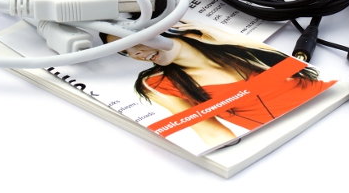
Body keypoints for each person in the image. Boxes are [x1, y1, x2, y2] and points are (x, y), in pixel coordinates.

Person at [100, 22, 336, 146]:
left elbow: (297, 67)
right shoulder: (156, 83)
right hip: (286, 138)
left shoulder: (226, 44)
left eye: (135, 43)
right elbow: (211, 133)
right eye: (125, 52)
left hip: (329, 104)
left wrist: (227, 38)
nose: (135, 54)